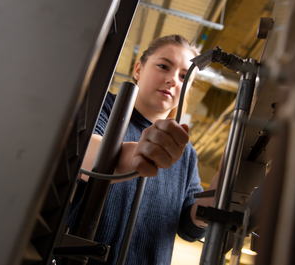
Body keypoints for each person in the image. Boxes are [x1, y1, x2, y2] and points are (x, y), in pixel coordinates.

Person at [71, 35, 217, 264]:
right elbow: (83, 156)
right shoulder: (102, 105)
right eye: (163, 66)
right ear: (138, 69)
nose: (172, 80)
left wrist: (223, 182)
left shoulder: (186, 153)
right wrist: (138, 154)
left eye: (183, 76)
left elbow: (191, 226)